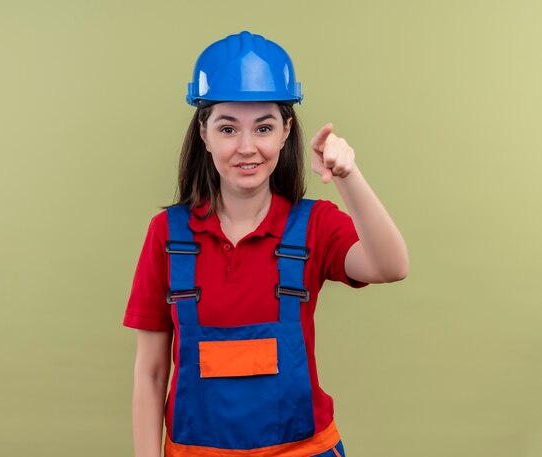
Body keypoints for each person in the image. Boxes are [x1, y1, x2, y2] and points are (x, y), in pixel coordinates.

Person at [124, 31, 408, 457]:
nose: (246, 147)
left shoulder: (315, 225)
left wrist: (349, 176)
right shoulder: (167, 234)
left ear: (285, 131)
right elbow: (150, 373)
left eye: (263, 127)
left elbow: (391, 266)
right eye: (227, 128)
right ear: (204, 134)